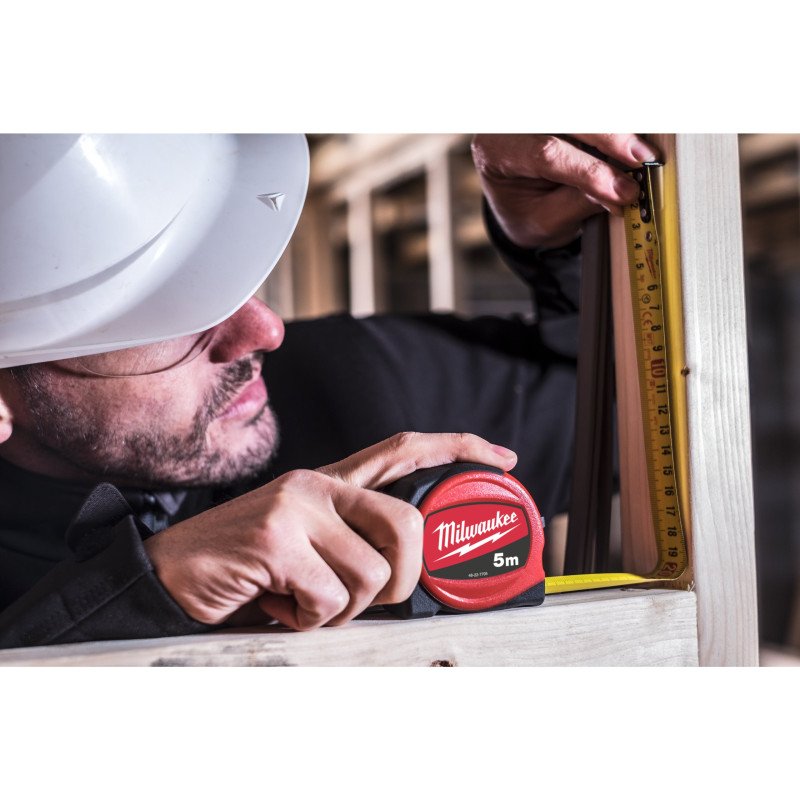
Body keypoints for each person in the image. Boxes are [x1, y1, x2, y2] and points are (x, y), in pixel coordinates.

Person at [0, 133, 659, 649]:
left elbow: (630, 418)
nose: (265, 331)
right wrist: (141, 594)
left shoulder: (352, 387)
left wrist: (560, 243)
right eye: (169, 319)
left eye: (224, 278)